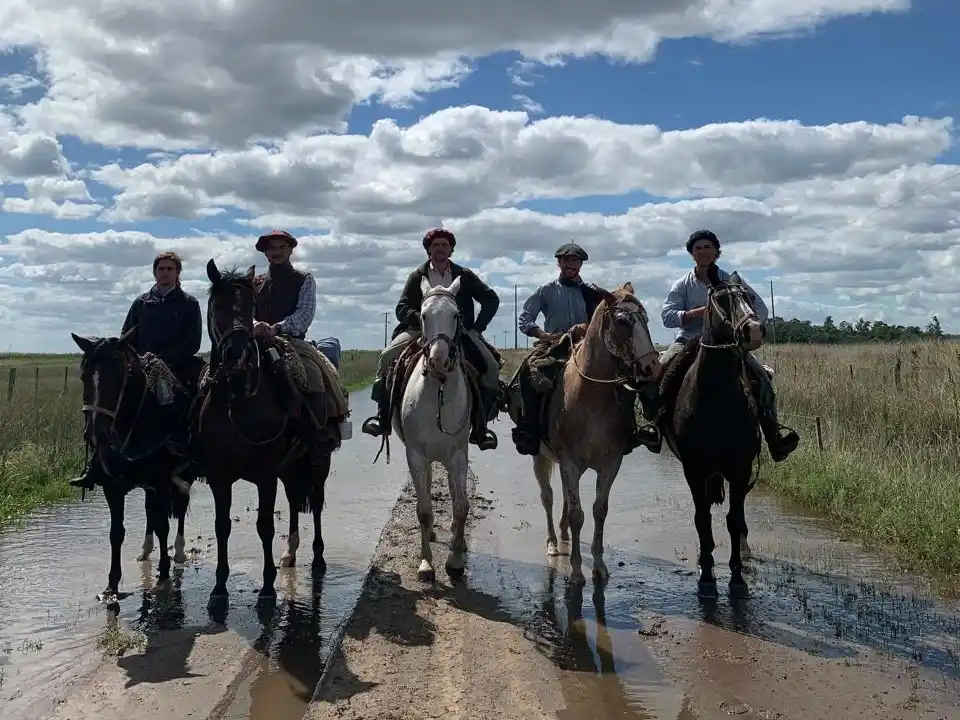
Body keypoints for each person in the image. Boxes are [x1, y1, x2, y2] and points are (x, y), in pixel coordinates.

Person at [649, 229, 800, 462]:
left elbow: (759, 308)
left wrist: (747, 327)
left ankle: (774, 437)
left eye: (707, 247)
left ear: (717, 252)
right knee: (658, 372)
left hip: (726, 344)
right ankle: (656, 430)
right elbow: (667, 316)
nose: (702, 252)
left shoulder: (732, 282)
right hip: (688, 341)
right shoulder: (683, 284)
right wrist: (699, 313)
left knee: (761, 377)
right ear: (691, 254)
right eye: (697, 248)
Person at [512, 241, 662, 456]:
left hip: (588, 346)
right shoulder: (546, 290)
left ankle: (633, 429)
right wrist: (543, 334)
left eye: (575, 260)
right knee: (529, 372)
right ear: (559, 263)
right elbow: (525, 319)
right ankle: (530, 430)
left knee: (627, 375)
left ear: (581, 264)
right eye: (566, 260)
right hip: (555, 344)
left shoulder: (593, 292)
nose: (570, 264)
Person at [69, 251, 204, 489]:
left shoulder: (189, 303)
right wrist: (135, 357)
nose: (165, 273)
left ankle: (190, 451)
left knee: (191, 399)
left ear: (178, 273)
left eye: (170, 269)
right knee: (110, 403)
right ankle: (96, 463)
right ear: (154, 272)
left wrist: (164, 358)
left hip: (177, 364)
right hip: (141, 363)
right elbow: (126, 335)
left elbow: (192, 341)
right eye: (161, 269)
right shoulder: (141, 303)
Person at [360, 228, 501, 450]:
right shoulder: (417, 276)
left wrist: (476, 328)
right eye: (435, 246)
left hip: (457, 331)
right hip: (421, 330)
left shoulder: (464, 276)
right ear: (429, 250)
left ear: (451, 249)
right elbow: (401, 308)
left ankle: (480, 428)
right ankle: (383, 418)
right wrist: (422, 320)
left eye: (444, 245)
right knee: (387, 357)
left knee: (491, 367)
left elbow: (491, 299)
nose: (440, 249)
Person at [251, 229, 340, 459]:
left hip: (292, 342)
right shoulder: (254, 282)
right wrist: (255, 325)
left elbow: (304, 314)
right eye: (272, 248)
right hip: (257, 341)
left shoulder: (304, 279)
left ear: (290, 250)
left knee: (314, 376)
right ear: (265, 253)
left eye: (282, 247)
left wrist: (278, 327)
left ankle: (320, 431)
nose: (277, 252)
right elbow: (244, 313)